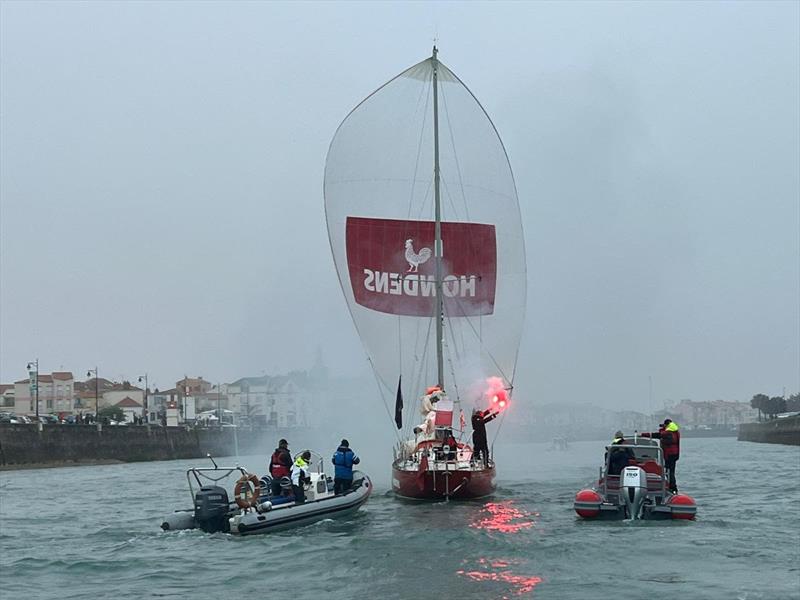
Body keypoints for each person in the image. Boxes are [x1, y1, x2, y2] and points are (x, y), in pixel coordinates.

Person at [641, 419, 681, 492]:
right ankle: (671, 486)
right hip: (674, 454)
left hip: (670, 454)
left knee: (669, 471)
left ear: (666, 425)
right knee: (670, 471)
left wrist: (644, 435)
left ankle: (672, 487)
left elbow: (658, 435)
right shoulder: (674, 431)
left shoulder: (668, 432)